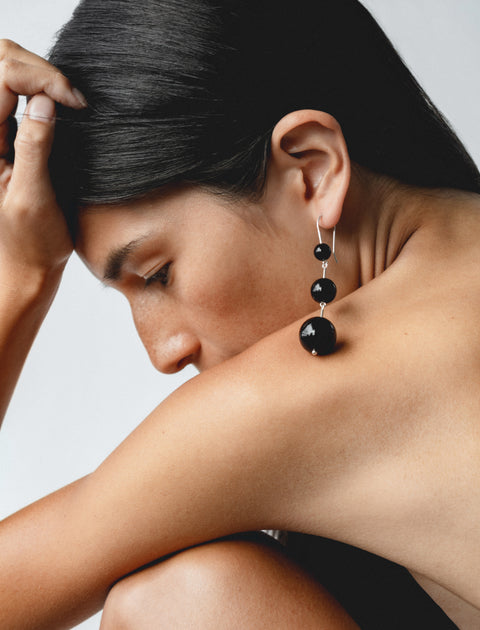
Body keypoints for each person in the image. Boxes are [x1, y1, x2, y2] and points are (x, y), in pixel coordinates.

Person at [0, 0, 479, 628]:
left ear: (313, 170)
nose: (163, 352)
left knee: (181, 599)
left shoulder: (330, 386)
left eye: (157, 274)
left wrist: (21, 277)